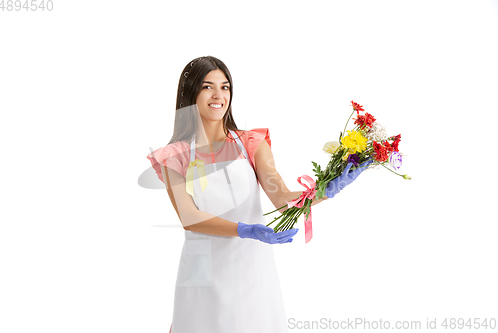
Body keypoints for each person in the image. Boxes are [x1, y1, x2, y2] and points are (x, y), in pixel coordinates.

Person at [146, 56, 370, 333]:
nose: (218, 95)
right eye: (207, 87)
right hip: (200, 269)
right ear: (190, 93)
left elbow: (282, 198)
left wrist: (329, 187)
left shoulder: (251, 142)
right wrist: (246, 229)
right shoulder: (173, 156)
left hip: (250, 267)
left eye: (225, 87)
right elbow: (189, 217)